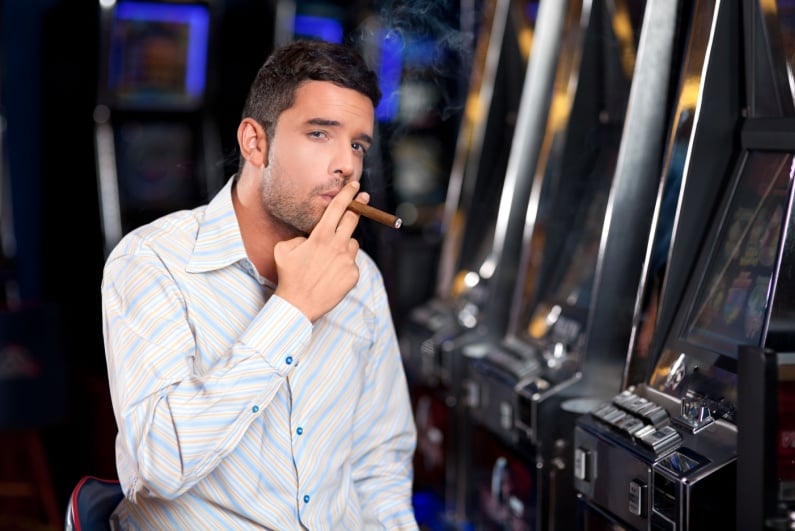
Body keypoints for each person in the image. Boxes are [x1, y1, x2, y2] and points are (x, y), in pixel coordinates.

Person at [101, 39, 419, 529]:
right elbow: (160, 466)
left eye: (357, 144)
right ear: (255, 143)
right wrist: (291, 310)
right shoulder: (153, 261)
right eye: (320, 134)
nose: (347, 165)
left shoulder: (361, 280)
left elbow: (381, 465)